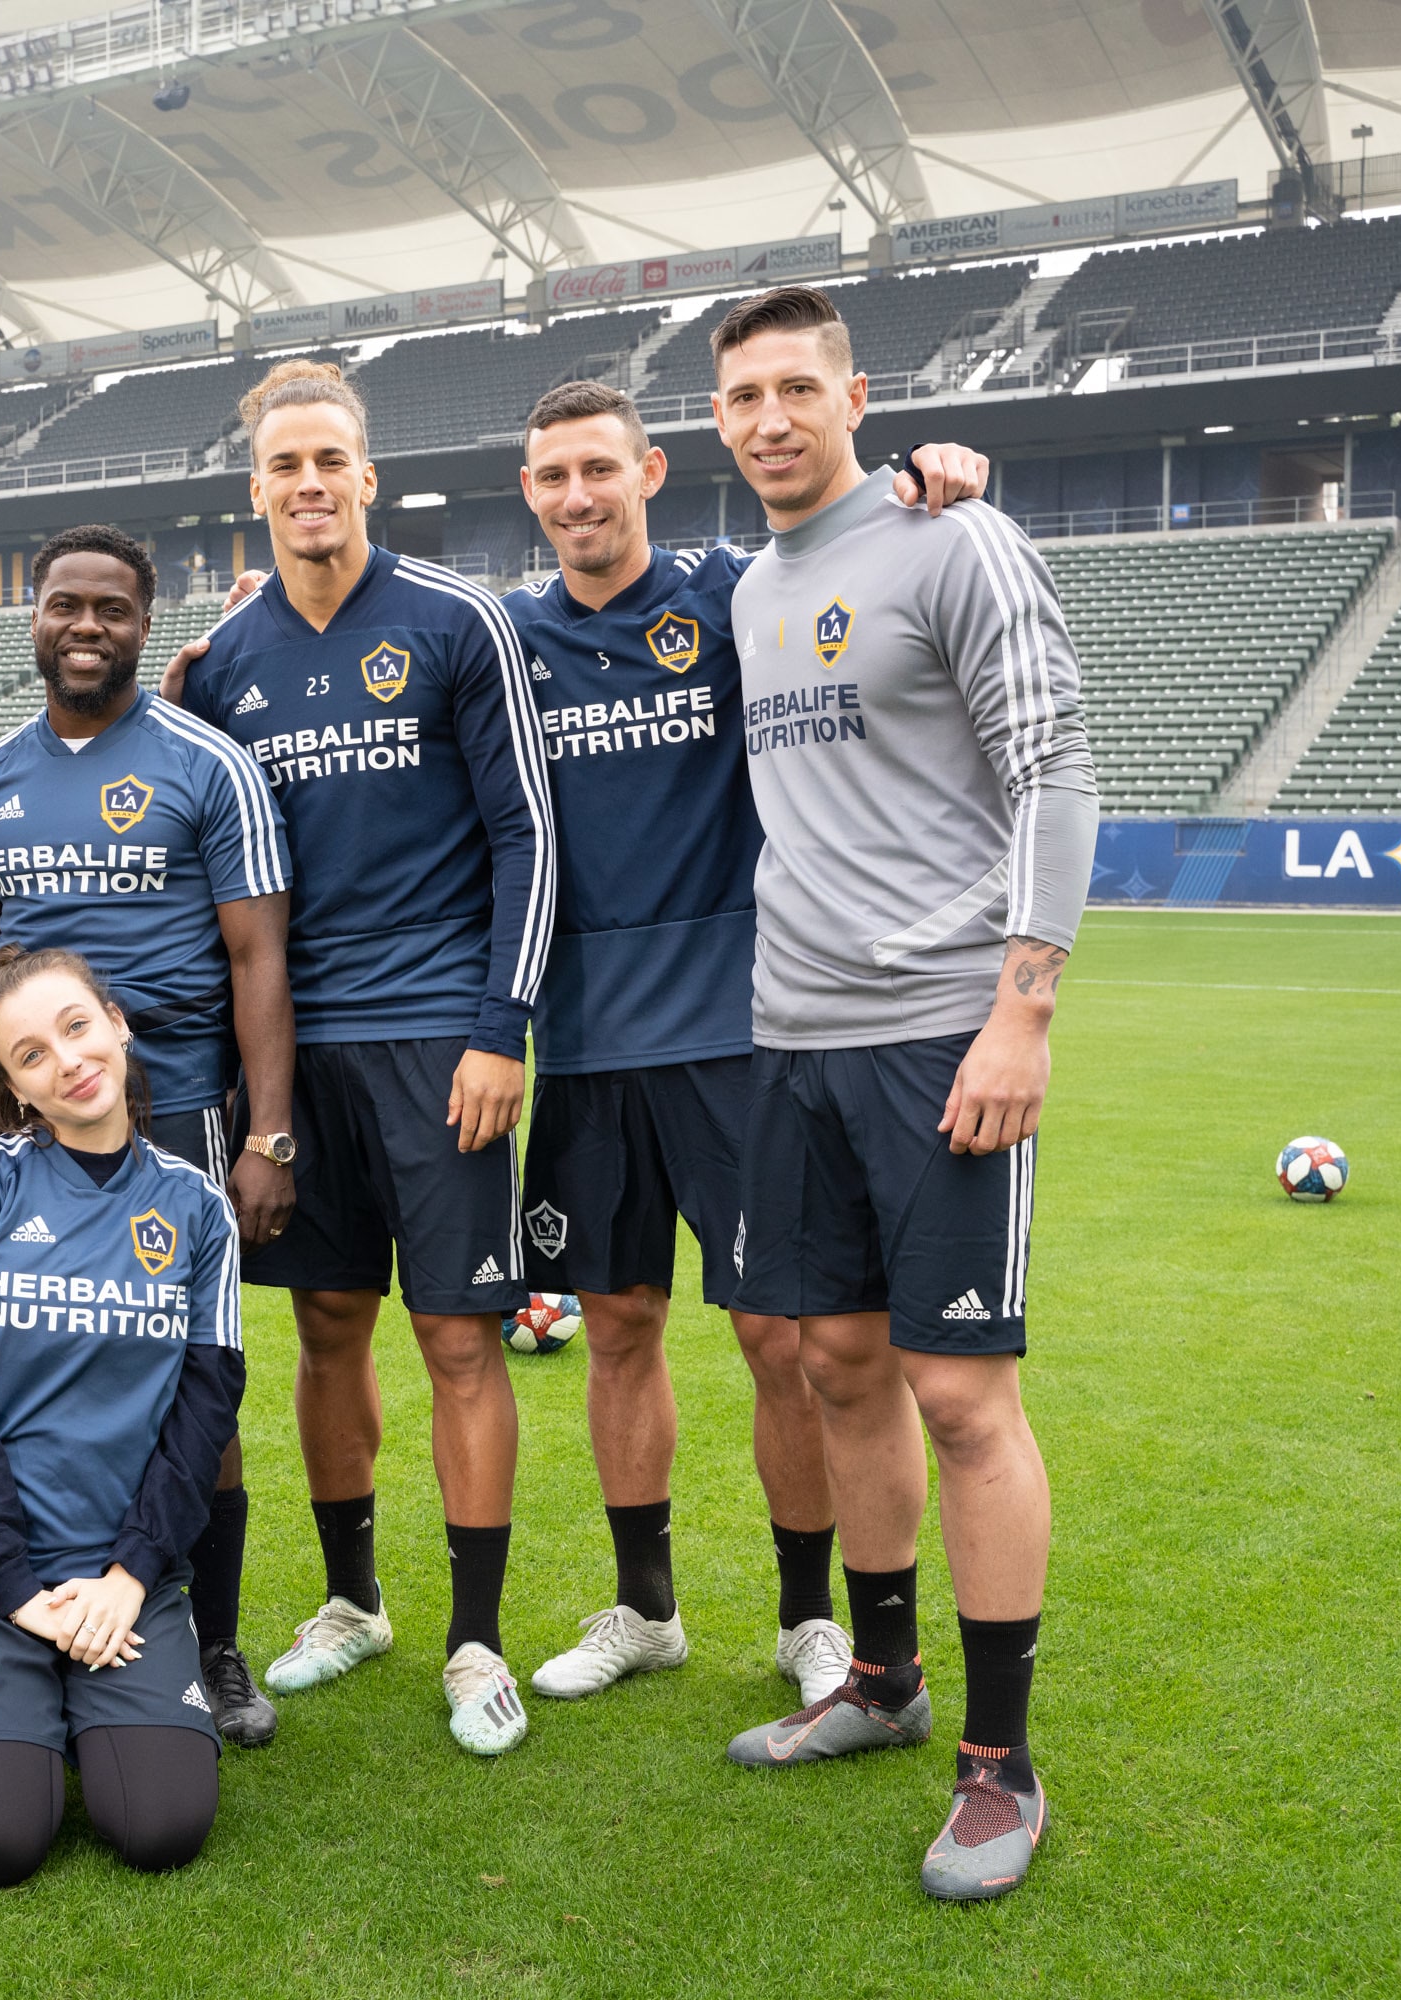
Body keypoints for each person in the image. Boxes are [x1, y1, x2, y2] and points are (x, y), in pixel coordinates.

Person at [503, 381, 989, 1713]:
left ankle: (805, 1620)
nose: (578, 497)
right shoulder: (507, 636)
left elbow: (839, 537)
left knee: (782, 1338)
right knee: (615, 1327)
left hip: (740, 1031)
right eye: (553, 477)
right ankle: (647, 1609)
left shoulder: (729, 592)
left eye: (600, 469)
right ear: (531, 493)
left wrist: (926, 475)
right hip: (586, 1044)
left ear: (650, 470)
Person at [708, 285, 1096, 1903]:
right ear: (718, 423)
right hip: (789, 1040)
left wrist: (1023, 1014)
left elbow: (1055, 770)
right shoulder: (746, 592)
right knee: (834, 1366)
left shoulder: (957, 543)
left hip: (944, 1030)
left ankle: (999, 1769)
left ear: (852, 395)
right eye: (746, 396)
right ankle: (880, 1681)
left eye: (800, 386)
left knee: (959, 1397)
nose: (773, 416)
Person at [173, 359, 553, 1757]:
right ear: (257, 489)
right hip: (294, 1060)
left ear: (369, 477)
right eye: (285, 466)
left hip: (441, 1040)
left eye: (331, 460)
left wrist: (501, 1027)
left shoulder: (459, 623)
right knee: (325, 1327)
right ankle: (354, 1600)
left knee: (457, 1336)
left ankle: (476, 1638)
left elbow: (526, 833)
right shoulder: (223, 664)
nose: (310, 485)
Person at [0, 524, 295, 1748]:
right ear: (32, 618)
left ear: (146, 623)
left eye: (111, 609)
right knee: (25, 1366)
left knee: (197, 1385)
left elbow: (258, 955)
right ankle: (15, 1602)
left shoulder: (208, 761)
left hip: (181, 1112)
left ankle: (219, 1640)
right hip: (35, 1129)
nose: (86, 626)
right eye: (64, 605)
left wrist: (269, 1135)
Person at [0, 946, 243, 1887]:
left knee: (163, 1827)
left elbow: (204, 1414)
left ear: (117, 1024)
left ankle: (88, 1696)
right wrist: (12, 1586)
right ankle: (21, 1700)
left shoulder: (198, 1207)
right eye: (31, 1055)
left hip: (121, 1580)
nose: (68, 1061)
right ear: (15, 1090)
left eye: (77, 1027)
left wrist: (130, 1575)